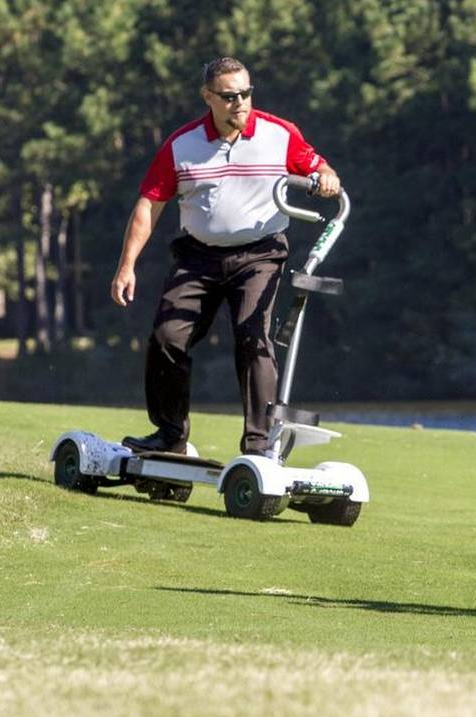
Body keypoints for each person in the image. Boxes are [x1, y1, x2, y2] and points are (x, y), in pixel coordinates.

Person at [111, 57, 341, 456]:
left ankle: (258, 445)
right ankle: (170, 436)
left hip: (260, 255)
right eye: (230, 96)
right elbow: (149, 205)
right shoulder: (181, 145)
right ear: (208, 98)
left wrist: (327, 176)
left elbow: (319, 166)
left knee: (253, 337)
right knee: (167, 338)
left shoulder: (279, 134)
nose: (241, 102)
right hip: (197, 258)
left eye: (247, 93)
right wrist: (126, 266)